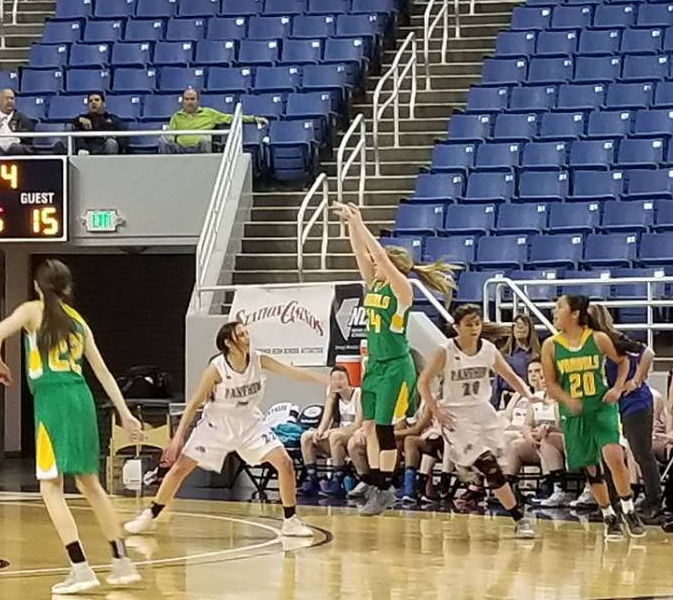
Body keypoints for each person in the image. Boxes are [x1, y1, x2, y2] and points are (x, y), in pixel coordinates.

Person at [0, 259, 142, 594]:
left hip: (52, 401)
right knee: (91, 484)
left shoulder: (31, 310)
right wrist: (125, 412)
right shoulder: (78, 321)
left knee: (51, 487)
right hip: (81, 397)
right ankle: (122, 562)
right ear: (68, 288)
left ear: (39, 286)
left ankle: (80, 568)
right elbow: (102, 371)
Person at [124, 321, 329, 537]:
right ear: (228, 343)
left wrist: (321, 379)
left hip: (250, 424)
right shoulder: (217, 368)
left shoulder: (258, 360)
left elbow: (291, 372)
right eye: (241, 335)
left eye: (246, 333)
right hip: (216, 426)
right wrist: (177, 438)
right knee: (179, 469)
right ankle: (150, 514)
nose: (247, 338)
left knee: (285, 463)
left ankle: (290, 522)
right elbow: (194, 403)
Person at [332, 201, 458, 516]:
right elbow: (361, 254)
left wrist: (362, 223)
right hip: (374, 364)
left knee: (386, 427)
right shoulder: (375, 284)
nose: (373, 265)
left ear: (391, 265)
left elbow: (377, 255)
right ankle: (376, 482)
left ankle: (386, 487)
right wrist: (351, 225)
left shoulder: (402, 289)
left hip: (395, 366)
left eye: (381, 262)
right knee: (371, 426)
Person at [417, 304, 539, 538]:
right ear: (456, 327)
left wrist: (528, 394)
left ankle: (469, 471)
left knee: (498, 467)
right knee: (489, 466)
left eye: (477, 323)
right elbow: (423, 383)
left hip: (484, 413)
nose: (474, 328)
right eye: (468, 324)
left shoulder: (488, 350)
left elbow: (511, 377)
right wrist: (436, 411)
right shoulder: (445, 351)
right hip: (456, 416)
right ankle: (519, 518)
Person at [540, 294, 645, 540]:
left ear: (575, 313)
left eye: (559, 307)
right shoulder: (551, 345)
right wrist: (567, 400)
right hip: (574, 413)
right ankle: (608, 515)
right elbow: (551, 384)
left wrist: (618, 387)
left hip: (600, 407)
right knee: (591, 467)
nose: (554, 312)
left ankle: (628, 509)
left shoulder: (597, 338)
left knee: (615, 457)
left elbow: (623, 361)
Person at [587, 303, 661, 520]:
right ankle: (612, 502)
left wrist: (636, 380)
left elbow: (648, 352)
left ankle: (654, 499)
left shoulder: (614, 338)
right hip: (609, 406)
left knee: (641, 452)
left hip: (635, 402)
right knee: (609, 453)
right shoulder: (587, 344)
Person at [503, 357, 571, 507]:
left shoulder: (564, 398)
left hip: (563, 442)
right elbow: (527, 425)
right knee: (515, 446)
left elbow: (569, 428)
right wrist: (529, 436)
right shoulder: (537, 399)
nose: (543, 380)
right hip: (539, 442)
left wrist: (549, 429)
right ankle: (510, 490)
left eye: (546, 377)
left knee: (548, 439)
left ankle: (556, 489)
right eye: (541, 378)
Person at [298, 366, 362, 497]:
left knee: (334, 436)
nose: (337, 382)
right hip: (336, 440)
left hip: (353, 438)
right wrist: (320, 431)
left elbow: (357, 425)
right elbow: (325, 419)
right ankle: (312, 480)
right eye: (333, 379)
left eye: (340, 378)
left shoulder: (358, 394)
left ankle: (337, 481)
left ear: (348, 380)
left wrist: (333, 431)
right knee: (306, 437)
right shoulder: (332, 396)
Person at [159, 88, 268, 154]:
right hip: (180, 149)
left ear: (197, 100)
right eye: (187, 99)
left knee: (206, 141)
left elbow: (230, 118)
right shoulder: (176, 116)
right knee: (163, 140)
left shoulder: (209, 113)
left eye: (192, 99)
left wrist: (253, 119)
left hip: (199, 148)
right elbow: (171, 136)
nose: (190, 102)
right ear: (183, 101)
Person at [493, 314, 541, 408]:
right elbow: (497, 383)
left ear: (530, 329)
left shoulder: (539, 354)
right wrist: (494, 406)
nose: (520, 328)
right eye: (517, 325)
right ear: (513, 329)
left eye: (524, 325)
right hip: (509, 401)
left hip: (533, 399)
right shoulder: (504, 355)